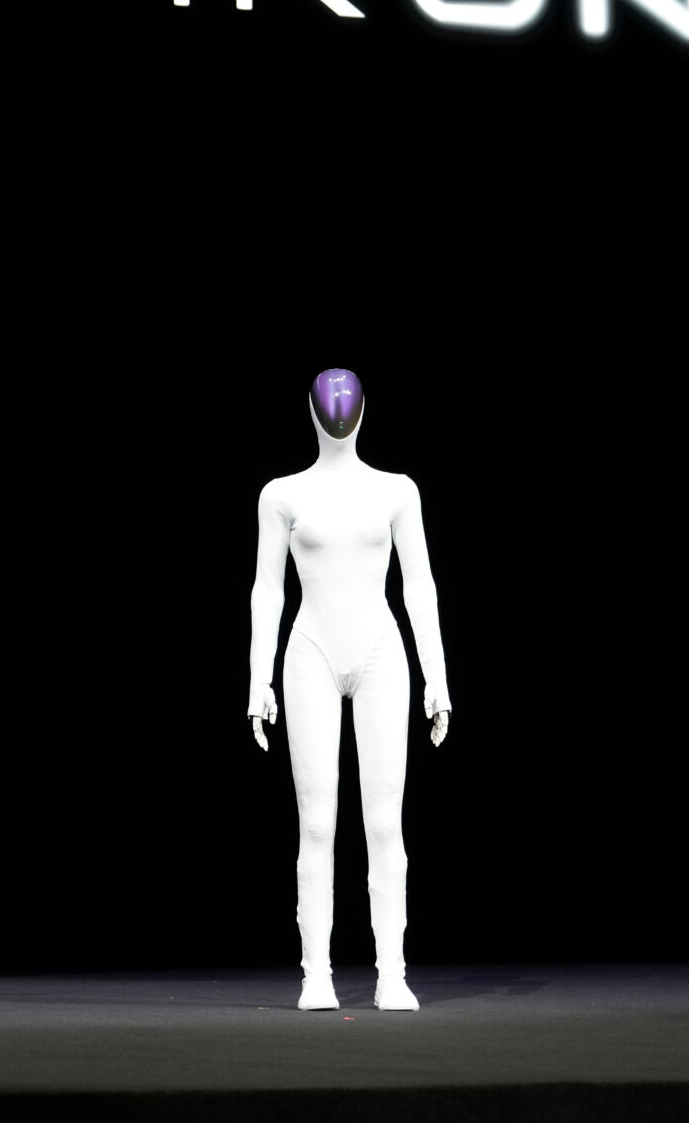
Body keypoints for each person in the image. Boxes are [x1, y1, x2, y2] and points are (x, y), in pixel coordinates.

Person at [247, 368, 452, 1012]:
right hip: (309, 652)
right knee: (317, 823)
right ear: (313, 414)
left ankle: (392, 973)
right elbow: (267, 588)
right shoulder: (282, 495)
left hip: (380, 653)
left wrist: (437, 675)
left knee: (385, 822)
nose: (339, 415)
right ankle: (317, 974)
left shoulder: (396, 491)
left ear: (361, 414)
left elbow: (419, 584)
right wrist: (258, 676)